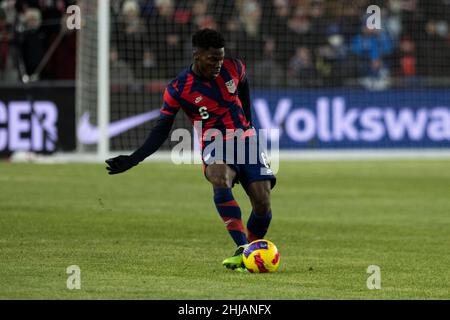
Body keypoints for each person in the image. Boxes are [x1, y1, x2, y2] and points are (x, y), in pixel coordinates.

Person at [105, 28, 276, 272]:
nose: (218, 64)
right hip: (214, 142)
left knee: (262, 202)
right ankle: (243, 248)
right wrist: (134, 159)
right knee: (219, 176)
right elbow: (161, 130)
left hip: (246, 139)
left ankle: (248, 251)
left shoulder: (234, 67)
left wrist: (249, 121)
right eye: (213, 58)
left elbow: (244, 84)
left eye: (221, 57)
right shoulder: (178, 88)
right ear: (196, 54)